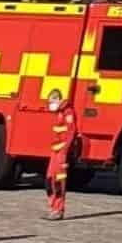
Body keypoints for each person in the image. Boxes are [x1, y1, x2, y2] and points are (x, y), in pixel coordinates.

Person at [45, 88, 79, 221]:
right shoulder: (58, 113)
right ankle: (52, 208)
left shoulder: (67, 112)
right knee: (49, 180)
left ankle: (58, 210)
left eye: (52, 101)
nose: (50, 104)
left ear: (58, 99)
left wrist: (65, 151)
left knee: (59, 182)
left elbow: (71, 132)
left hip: (61, 153)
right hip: (55, 151)